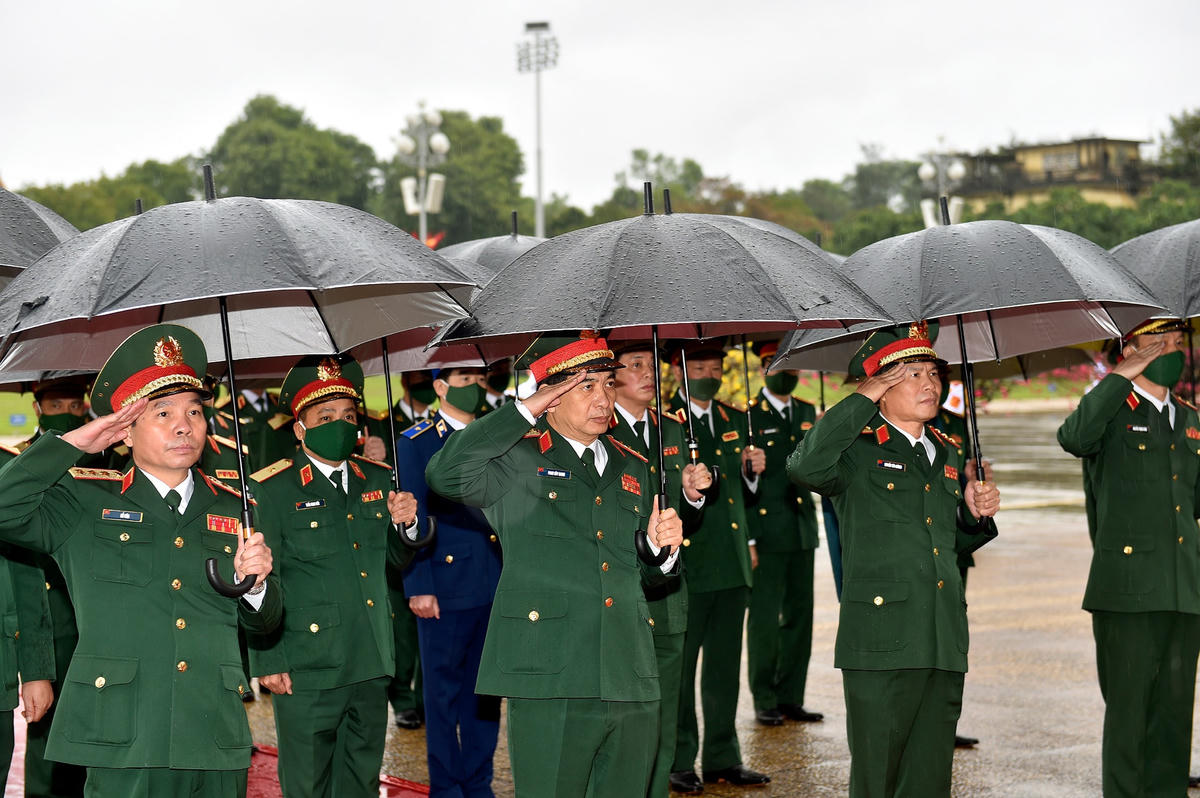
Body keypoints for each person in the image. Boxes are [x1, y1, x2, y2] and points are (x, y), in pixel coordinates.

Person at [0, 323, 279, 796]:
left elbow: (267, 623)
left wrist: (255, 585)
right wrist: (71, 444)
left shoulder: (236, 507)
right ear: (125, 431)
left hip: (212, 728)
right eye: (163, 412)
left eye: (195, 411)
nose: (183, 425)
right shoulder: (84, 500)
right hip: (122, 730)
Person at [426, 332, 684, 798]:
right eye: (586, 387)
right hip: (551, 672)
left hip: (628, 668)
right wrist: (524, 408)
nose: (604, 398)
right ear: (550, 397)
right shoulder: (517, 459)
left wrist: (661, 554)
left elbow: (638, 571)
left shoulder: (634, 465)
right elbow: (446, 474)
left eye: (608, 384)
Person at [787, 320, 999, 798]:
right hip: (882, 641)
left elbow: (945, 543)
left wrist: (972, 516)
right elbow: (803, 466)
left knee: (929, 779)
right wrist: (864, 395)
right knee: (878, 777)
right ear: (880, 387)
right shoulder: (855, 451)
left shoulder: (945, 451)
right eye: (913, 375)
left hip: (942, 637)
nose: (930, 384)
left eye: (933, 373)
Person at [246, 354, 419, 798]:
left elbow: (395, 561)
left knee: (360, 779)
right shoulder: (274, 488)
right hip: (308, 662)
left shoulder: (378, 478)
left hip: (369, 655)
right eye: (325, 417)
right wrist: (268, 659)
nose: (340, 425)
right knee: (307, 781)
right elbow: (264, 579)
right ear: (300, 429)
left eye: (347, 415)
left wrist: (408, 525)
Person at [1057, 318, 1200, 797]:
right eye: (1158, 342)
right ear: (1128, 350)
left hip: (1184, 589)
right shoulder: (1110, 412)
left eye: (1178, 341)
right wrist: (1120, 375)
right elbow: (1073, 437)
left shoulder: (1190, 418)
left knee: (1174, 718)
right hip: (1128, 590)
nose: (1172, 351)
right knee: (1129, 717)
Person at [664, 340, 768, 792]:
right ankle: (679, 756)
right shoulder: (667, 425)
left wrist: (751, 473)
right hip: (691, 563)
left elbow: (739, 500)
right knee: (682, 671)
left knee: (725, 667)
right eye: (698, 366)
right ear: (678, 371)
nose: (708, 372)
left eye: (714, 365)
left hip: (730, 564)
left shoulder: (730, 418)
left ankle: (724, 756)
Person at [609, 341, 711, 798]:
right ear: (611, 378)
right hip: (619, 588)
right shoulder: (597, 429)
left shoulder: (672, 429)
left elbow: (682, 520)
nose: (647, 373)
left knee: (665, 712)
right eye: (634, 365)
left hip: (667, 590)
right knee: (625, 714)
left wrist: (692, 495)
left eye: (650, 365)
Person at [397, 365, 504, 798]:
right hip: (443, 583)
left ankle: (479, 783)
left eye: (478, 379)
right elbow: (411, 516)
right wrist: (418, 583)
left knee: (484, 695)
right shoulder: (416, 443)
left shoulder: (498, 435)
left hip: (494, 581)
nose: (474, 388)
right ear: (440, 387)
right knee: (440, 698)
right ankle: (445, 786)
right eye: (463, 379)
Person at [1, 376, 93, 796]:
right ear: (39, 408)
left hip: (88, 614)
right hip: (50, 618)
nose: (68, 411)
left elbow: (23, 571)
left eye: (76, 403)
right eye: (57, 405)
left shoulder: (111, 458)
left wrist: (34, 669)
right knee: (47, 744)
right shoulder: (18, 465)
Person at [745, 341, 824, 727]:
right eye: (779, 366)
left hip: (801, 528)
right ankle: (765, 697)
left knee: (799, 617)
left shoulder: (809, 412)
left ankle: (792, 695)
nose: (787, 374)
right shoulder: (747, 416)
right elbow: (741, 487)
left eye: (794, 366)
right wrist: (750, 538)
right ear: (764, 368)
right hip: (766, 530)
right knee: (764, 620)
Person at [368, 368, 435, 728]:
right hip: (389, 530)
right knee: (401, 627)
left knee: (429, 621)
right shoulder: (377, 424)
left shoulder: (439, 425)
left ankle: (425, 697)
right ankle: (403, 698)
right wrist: (370, 451)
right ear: (408, 380)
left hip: (427, 528)